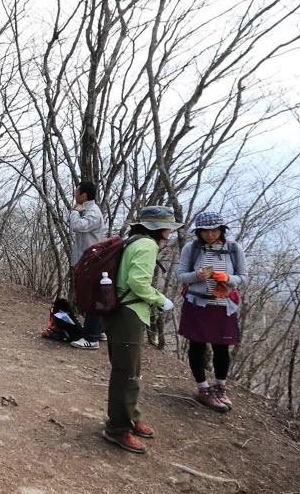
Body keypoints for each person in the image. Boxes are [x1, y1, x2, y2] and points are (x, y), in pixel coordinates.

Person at [101, 205, 181, 455]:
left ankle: (130, 418)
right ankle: (117, 428)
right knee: (126, 373)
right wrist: (159, 299)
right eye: (168, 227)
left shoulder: (132, 241)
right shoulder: (147, 245)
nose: (169, 233)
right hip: (129, 313)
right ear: (159, 229)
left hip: (119, 311)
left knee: (130, 370)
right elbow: (137, 282)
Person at [176, 212, 248, 412]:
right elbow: (181, 276)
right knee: (197, 347)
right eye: (205, 231)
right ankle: (202, 389)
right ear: (198, 232)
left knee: (222, 348)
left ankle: (220, 386)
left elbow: (243, 276)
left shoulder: (234, 249)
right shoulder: (191, 249)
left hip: (223, 305)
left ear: (222, 230)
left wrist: (227, 278)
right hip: (197, 304)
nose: (210, 235)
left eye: (214, 230)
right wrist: (197, 275)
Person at [68, 181, 107, 350]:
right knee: (90, 296)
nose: (75, 194)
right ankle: (98, 331)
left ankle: (92, 338)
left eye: (77, 191)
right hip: (86, 260)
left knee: (92, 297)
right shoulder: (86, 209)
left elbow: (77, 226)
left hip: (92, 261)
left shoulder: (93, 212)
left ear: (84, 195)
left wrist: (75, 212)